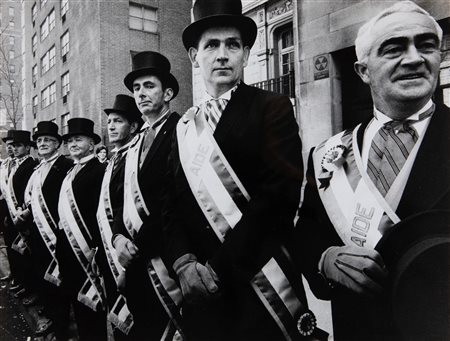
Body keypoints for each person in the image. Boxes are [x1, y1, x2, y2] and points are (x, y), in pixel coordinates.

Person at [162, 1, 322, 340]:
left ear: (246, 55)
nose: (222, 55)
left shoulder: (272, 108)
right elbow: (171, 203)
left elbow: (278, 199)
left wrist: (214, 271)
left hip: (258, 286)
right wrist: (183, 262)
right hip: (199, 293)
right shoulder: (185, 126)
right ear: (194, 56)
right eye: (211, 45)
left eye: (232, 45)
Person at [294, 2, 448, 340]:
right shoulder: (327, 154)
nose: (413, 58)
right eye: (394, 49)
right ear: (363, 71)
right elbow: (305, 230)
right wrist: (325, 259)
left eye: (426, 45)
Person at [111, 51, 183, 340]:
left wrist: (136, 246)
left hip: (165, 259)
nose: (141, 94)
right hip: (134, 257)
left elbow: (176, 199)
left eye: (149, 86)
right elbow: (122, 196)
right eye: (136, 88)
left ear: (167, 93)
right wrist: (117, 236)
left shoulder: (183, 130)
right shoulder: (136, 141)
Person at [55, 118, 107, 341]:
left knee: (91, 309)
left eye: (78, 139)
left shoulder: (100, 170)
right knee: (76, 305)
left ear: (92, 143)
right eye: (69, 141)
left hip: (88, 251)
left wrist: (97, 249)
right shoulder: (69, 173)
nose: (73, 144)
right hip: (67, 251)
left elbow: (101, 214)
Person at [96, 94, 143, 339]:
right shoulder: (113, 160)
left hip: (127, 252)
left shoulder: (135, 159)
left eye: (118, 121)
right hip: (108, 250)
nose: (111, 126)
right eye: (109, 121)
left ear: (134, 126)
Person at [21, 121, 74, 338]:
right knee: (44, 277)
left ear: (58, 144)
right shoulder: (38, 168)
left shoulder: (66, 165)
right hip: (38, 234)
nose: (42, 144)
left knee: (58, 282)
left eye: (47, 140)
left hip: (58, 234)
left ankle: (62, 326)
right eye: (39, 140)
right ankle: (51, 315)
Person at [5, 131, 39, 304]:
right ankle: (24, 283)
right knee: (20, 254)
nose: (14, 148)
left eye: (19, 145)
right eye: (13, 145)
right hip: (14, 216)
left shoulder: (31, 165)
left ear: (27, 148)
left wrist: (23, 213)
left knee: (29, 256)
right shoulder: (16, 165)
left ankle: (32, 289)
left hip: (26, 218)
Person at [0, 131, 17, 286]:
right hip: (4, 210)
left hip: (17, 212)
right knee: (9, 244)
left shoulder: (22, 164)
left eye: (13, 145)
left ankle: (20, 276)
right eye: (8, 145)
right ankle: (13, 273)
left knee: (19, 247)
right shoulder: (4, 164)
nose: (10, 148)